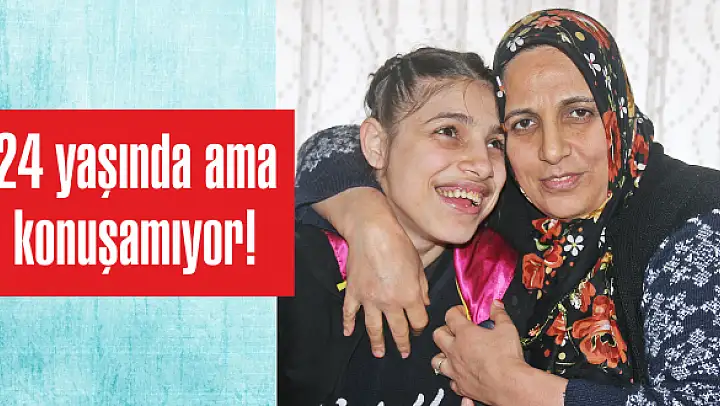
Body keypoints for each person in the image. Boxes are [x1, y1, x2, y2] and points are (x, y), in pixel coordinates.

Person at [293, 8, 720, 405]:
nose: (552, 150)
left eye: (578, 113)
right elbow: (335, 144)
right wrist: (370, 225)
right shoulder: (512, 197)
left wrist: (512, 386)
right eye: (523, 123)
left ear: (617, 112)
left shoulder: (691, 218)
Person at [280, 47, 517, 406]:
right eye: (448, 131)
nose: (483, 165)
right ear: (377, 145)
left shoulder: (502, 283)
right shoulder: (291, 265)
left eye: (495, 143)